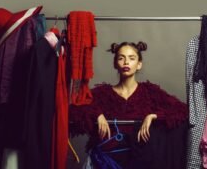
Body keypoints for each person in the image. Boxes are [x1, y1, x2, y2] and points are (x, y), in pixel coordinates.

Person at [69, 41, 189, 169]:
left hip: (139, 160)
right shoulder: (102, 94)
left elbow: (181, 110)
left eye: (132, 58)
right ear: (115, 64)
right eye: (121, 58)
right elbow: (74, 110)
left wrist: (153, 116)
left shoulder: (150, 92)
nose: (126, 62)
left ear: (139, 64)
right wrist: (97, 114)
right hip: (105, 161)